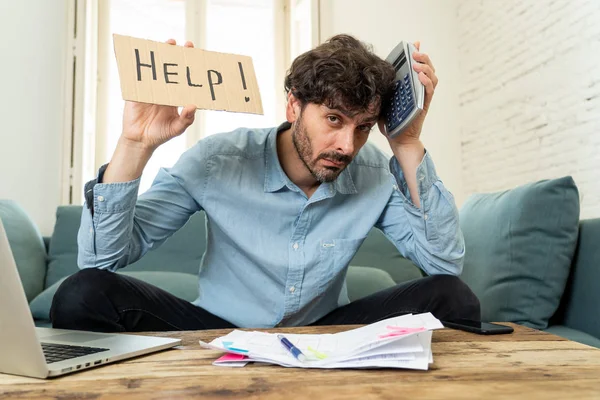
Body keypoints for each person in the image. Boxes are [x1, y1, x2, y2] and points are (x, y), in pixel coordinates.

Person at [50, 34, 480, 333]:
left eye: (364, 126)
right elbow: (100, 259)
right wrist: (135, 144)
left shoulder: (371, 172)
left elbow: (443, 268)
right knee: (82, 294)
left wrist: (405, 142)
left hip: (326, 335)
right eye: (334, 119)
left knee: (452, 297)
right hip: (217, 332)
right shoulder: (218, 160)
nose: (347, 145)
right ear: (294, 105)